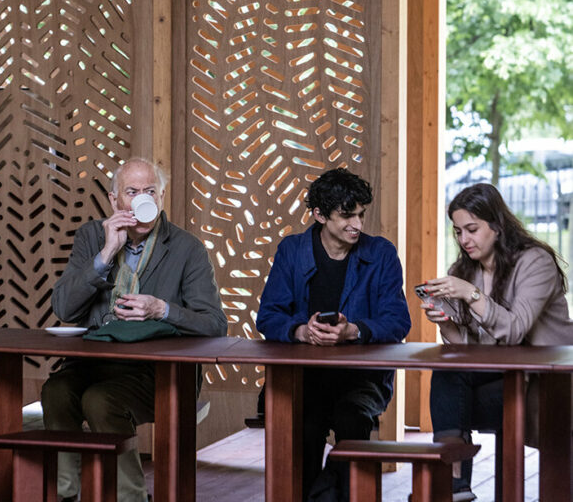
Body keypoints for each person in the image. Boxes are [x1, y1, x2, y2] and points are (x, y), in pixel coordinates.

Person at [41, 156, 227, 502]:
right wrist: (106, 254)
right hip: (93, 363)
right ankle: (65, 493)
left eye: (150, 191)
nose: (142, 199)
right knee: (56, 391)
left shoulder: (187, 248)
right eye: (132, 192)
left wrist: (161, 309)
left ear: (161, 198)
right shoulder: (92, 237)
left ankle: (131, 497)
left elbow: (215, 324)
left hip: (156, 371)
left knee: (100, 400)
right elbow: (65, 308)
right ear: (115, 200)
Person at [256, 167, 411, 501]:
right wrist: (301, 330)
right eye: (346, 216)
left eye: (360, 215)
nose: (357, 224)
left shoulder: (381, 253)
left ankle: (326, 495)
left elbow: (399, 321)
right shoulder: (292, 250)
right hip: (304, 377)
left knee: (352, 421)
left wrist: (354, 330)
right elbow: (268, 316)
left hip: (362, 379)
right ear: (320, 215)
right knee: (304, 426)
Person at [421, 182, 573, 502]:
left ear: (497, 225)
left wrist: (471, 294)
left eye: (472, 229)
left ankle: (453, 484)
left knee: (451, 394)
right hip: (503, 375)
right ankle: (456, 487)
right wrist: (445, 322)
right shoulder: (464, 269)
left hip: (547, 380)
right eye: (458, 232)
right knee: (448, 374)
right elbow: (468, 352)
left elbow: (515, 330)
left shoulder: (535, 262)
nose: (464, 240)